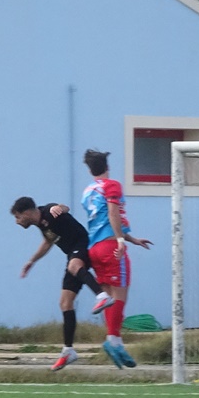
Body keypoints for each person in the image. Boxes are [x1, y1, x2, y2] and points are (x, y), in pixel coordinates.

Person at [12, 195, 112, 371]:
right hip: (72, 254)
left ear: (26, 213)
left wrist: (60, 207)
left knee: (74, 266)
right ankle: (68, 351)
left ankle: (102, 295)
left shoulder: (48, 211)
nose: (17, 222)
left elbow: (62, 208)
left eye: (18, 217)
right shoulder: (41, 224)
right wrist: (32, 261)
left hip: (83, 245)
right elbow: (47, 242)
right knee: (65, 303)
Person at [80, 149, 152, 368]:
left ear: (90, 170)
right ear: (107, 167)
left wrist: (132, 239)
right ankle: (112, 340)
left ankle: (116, 342)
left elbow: (102, 221)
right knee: (120, 294)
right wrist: (121, 240)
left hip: (94, 248)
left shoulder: (87, 191)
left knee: (108, 297)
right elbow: (112, 214)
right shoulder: (112, 185)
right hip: (111, 247)